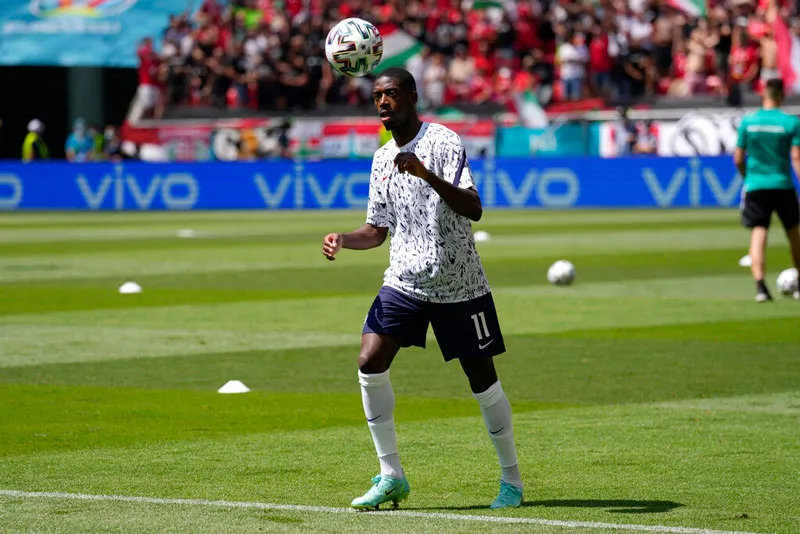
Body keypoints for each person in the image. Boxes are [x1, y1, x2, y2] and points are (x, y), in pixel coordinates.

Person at [321, 67, 523, 511]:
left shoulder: (444, 141)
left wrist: (426, 174)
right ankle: (391, 475)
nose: (383, 102)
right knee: (369, 360)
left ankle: (511, 481)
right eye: (377, 96)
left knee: (482, 380)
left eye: (391, 93)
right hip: (405, 281)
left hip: (459, 283)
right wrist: (343, 239)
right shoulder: (381, 159)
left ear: (412, 97)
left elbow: (474, 208)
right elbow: (377, 230)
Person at [734, 78, 800, 302]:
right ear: (781, 95)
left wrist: (747, 177)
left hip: (756, 184)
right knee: (793, 233)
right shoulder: (790, 122)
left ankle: (761, 287)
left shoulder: (748, 122)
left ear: (763, 95)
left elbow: (738, 158)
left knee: (759, 231)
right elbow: (796, 158)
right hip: (782, 184)